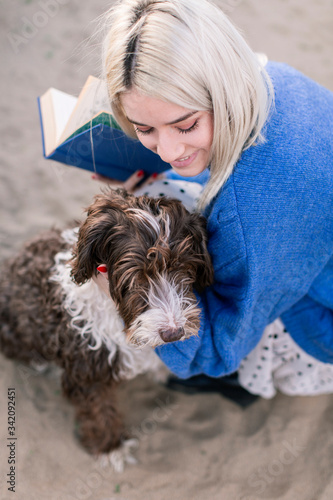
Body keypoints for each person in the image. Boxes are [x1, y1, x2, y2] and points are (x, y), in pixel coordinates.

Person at [95, 0, 333, 398]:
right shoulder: (276, 78)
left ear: (221, 89)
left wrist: (114, 292)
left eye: (185, 124)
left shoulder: (251, 218)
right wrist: (165, 164)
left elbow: (214, 351)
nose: (168, 151)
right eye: (144, 128)